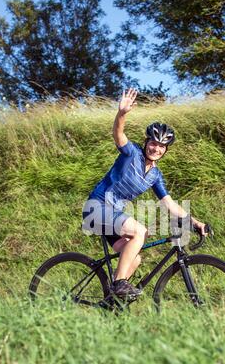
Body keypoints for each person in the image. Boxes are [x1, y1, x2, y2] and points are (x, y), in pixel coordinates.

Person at [82, 88, 207, 297]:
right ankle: (120, 282)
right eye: (153, 143)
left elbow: (169, 204)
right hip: (97, 208)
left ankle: (112, 299)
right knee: (140, 231)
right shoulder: (132, 154)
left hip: (112, 216)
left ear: (166, 150)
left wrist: (195, 223)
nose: (156, 149)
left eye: (161, 146)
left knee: (134, 257)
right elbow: (118, 134)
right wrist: (121, 113)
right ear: (146, 142)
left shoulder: (155, 176)